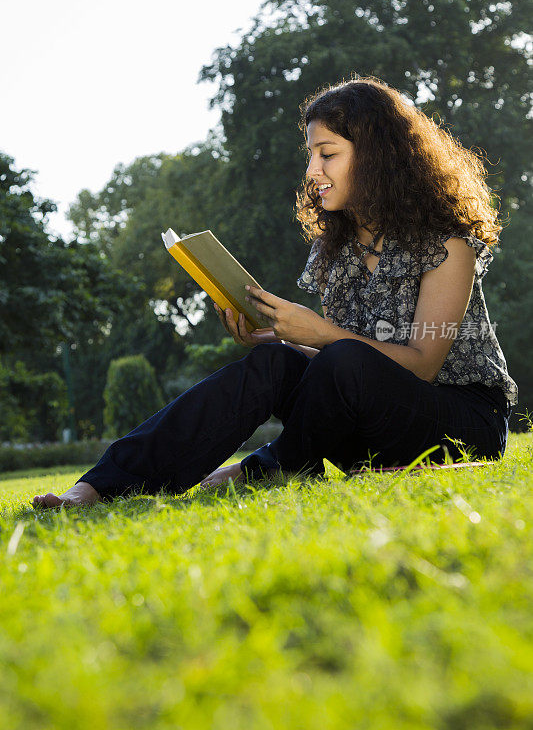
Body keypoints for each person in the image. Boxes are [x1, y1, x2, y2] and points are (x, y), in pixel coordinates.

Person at [32, 76, 517, 509]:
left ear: (376, 157)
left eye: (327, 154)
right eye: (311, 155)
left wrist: (324, 334)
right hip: (367, 422)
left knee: (340, 358)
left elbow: (422, 364)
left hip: (461, 421)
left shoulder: (446, 245)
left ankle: (269, 465)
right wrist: (281, 336)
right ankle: (104, 484)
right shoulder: (337, 250)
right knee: (273, 364)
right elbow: (340, 371)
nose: (312, 171)